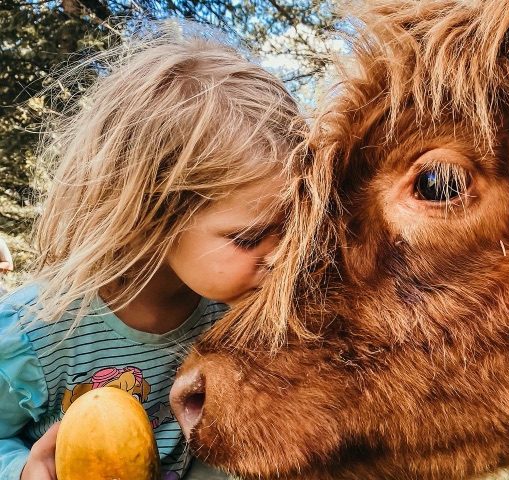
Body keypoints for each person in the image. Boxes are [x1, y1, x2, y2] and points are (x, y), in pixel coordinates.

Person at [0, 24, 302, 480]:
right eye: (248, 237)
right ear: (152, 216)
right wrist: (23, 471)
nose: (282, 257)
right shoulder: (36, 332)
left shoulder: (234, 318)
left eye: (293, 231)